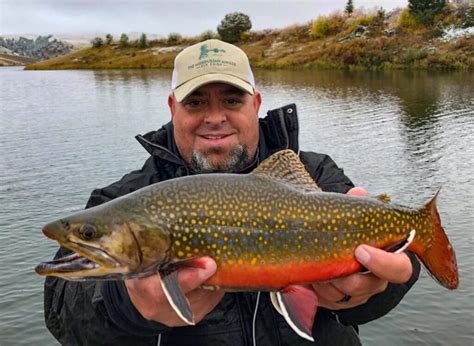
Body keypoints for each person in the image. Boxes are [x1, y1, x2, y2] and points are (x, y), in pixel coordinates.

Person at [44, 39, 420, 345]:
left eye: (231, 100)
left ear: (256, 104)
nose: (214, 117)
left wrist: (366, 294)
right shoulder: (124, 198)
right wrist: (125, 306)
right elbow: (61, 312)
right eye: (195, 102)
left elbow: (401, 253)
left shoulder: (319, 175)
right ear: (173, 108)